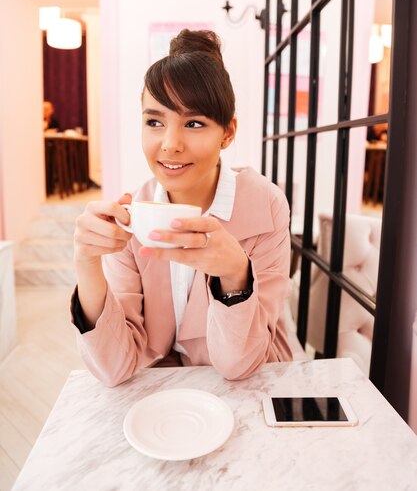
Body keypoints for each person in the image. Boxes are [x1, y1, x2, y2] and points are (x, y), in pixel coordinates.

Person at [71, 29, 293, 387]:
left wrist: (236, 274)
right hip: (163, 396)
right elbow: (114, 367)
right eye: (155, 122)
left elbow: (240, 364)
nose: (170, 145)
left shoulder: (264, 205)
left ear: (227, 133)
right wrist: (86, 262)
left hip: (253, 383)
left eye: (193, 123)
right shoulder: (133, 214)